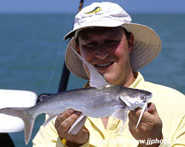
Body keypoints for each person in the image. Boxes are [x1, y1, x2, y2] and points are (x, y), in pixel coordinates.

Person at [33, 2, 185, 147]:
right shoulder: (58, 117)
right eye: (90, 44)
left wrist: (153, 143)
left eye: (111, 41)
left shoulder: (179, 105)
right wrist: (73, 144)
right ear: (79, 51)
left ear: (130, 42)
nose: (101, 53)